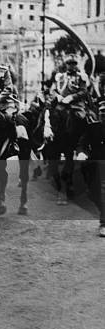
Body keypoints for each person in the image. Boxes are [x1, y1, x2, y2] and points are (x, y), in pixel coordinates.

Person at [76, 100, 105, 237]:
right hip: (96, 165)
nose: (104, 115)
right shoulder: (93, 127)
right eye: (102, 113)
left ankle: (104, 223)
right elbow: (82, 142)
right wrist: (82, 152)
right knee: (92, 194)